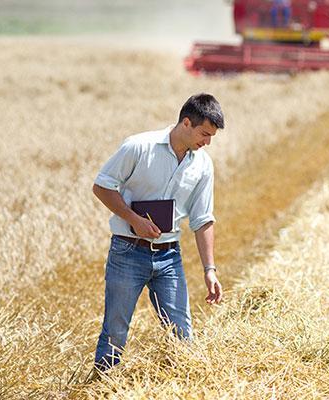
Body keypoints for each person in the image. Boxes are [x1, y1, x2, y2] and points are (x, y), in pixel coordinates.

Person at [92, 93, 224, 371]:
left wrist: (209, 269)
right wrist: (133, 218)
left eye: (211, 136)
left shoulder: (202, 165)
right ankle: (102, 386)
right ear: (186, 123)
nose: (207, 142)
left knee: (181, 332)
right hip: (127, 251)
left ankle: (182, 385)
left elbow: (202, 219)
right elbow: (102, 186)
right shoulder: (138, 146)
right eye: (204, 133)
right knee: (115, 330)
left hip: (169, 256)